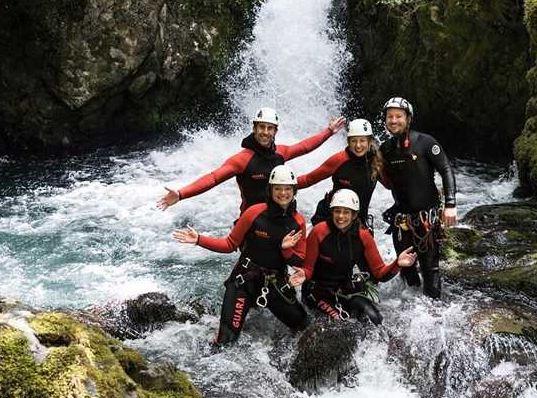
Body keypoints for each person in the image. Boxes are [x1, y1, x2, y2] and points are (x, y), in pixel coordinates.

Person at [172, 165, 309, 344]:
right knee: (226, 341)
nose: (283, 193)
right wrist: (199, 239)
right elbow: (230, 244)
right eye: (278, 188)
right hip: (245, 281)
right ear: (270, 190)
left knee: (304, 326)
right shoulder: (254, 213)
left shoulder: (298, 222)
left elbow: (298, 260)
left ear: (294, 191)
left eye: (288, 189)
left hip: (274, 284)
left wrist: (286, 249)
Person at [158, 108, 346, 214]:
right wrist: (181, 194)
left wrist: (329, 132)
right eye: (261, 127)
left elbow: (305, 147)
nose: (265, 132)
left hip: (281, 214)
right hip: (252, 219)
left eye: (269, 128)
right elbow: (213, 178)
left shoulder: (281, 153)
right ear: (254, 129)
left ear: (275, 132)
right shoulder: (242, 160)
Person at [302, 189, 417, 325]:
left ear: (354, 215)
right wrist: (301, 275)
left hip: (346, 291)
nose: (341, 216)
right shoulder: (319, 232)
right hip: (318, 293)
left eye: (346, 212)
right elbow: (308, 268)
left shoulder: (363, 236)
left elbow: (380, 273)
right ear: (331, 212)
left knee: (375, 318)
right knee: (341, 323)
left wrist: (397, 263)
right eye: (337, 211)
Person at [379, 96, 456, 299]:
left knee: (430, 269)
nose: (393, 121)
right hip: (401, 221)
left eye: (398, 116)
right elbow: (377, 177)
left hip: (426, 219)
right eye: (389, 117)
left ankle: (434, 314)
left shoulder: (425, 142)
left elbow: (446, 169)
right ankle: (410, 313)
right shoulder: (385, 149)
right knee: (406, 270)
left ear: (408, 118)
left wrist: (450, 204)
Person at [296, 118, 387, 230]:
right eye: (354, 141)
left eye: (362, 140)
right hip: (330, 218)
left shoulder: (377, 162)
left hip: (358, 222)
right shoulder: (339, 159)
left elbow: (392, 186)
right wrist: (282, 186)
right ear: (348, 141)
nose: (358, 145)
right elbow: (308, 179)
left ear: (370, 141)